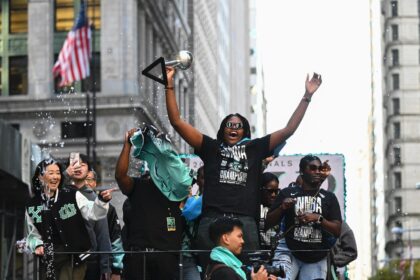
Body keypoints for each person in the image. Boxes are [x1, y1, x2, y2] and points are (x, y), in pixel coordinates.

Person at [165, 67, 322, 266]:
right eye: (229, 125)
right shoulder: (210, 147)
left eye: (238, 126)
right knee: (213, 273)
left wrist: (307, 96)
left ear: (245, 131)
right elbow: (177, 122)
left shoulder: (255, 148)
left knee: (248, 272)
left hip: (245, 222)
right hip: (212, 220)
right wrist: (169, 84)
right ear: (222, 130)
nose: (233, 128)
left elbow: (289, 130)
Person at [115, 127, 186, 280]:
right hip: (139, 257)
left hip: (167, 258)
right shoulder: (139, 185)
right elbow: (120, 176)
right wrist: (128, 144)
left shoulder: (177, 188)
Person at [25, 159, 113, 280]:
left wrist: (102, 201)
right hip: (48, 259)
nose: (56, 176)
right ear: (39, 177)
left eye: (58, 173)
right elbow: (32, 234)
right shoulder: (32, 205)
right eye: (51, 173)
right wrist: (37, 245)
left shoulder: (71, 194)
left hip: (75, 257)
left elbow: (93, 213)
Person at [266, 155, 342, 280]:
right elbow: (268, 223)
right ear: (302, 171)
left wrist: (319, 219)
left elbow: (337, 230)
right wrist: (282, 207)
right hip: (289, 251)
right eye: (312, 168)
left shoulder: (329, 198)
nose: (317, 171)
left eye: (319, 168)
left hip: (316, 256)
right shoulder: (287, 193)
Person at [64, 154, 113, 279]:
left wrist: (105, 267)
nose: (78, 167)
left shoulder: (95, 199)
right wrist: (64, 175)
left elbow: (103, 234)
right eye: (74, 164)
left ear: (88, 171)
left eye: (83, 164)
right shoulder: (60, 195)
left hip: (90, 262)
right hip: (63, 261)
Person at [206, 216, 276, 280]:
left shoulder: (217, 263)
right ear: (226, 239)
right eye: (239, 236)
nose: (243, 241)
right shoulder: (224, 272)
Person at [85, 170, 124, 280]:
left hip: (98, 264)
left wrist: (117, 269)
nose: (86, 183)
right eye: (83, 180)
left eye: (89, 179)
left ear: (95, 183)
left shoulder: (109, 208)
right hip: (76, 262)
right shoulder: (72, 205)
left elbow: (116, 238)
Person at [259, 172, 280, 250]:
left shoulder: (280, 207)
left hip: (276, 251)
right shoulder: (253, 207)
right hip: (258, 249)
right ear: (260, 189)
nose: (273, 195)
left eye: (276, 191)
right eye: (270, 191)